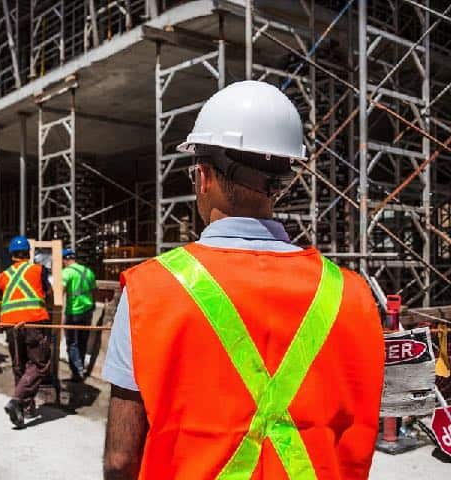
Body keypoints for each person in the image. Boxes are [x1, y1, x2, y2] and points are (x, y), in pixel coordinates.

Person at [101, 81, 384, 479]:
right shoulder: (352, 294)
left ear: (203, 177)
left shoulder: (150, 291)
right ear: (281, 181)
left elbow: (120, 459)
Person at [0, 235, 52, 428]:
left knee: (19, 365)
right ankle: (16, 401)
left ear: (11, 254)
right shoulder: (38, 270)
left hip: (11, 325)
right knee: (39, 364)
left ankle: (25, 410)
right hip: (32, 321)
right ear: (29, 253)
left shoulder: (3, 276)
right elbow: (48, 292)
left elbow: (6, 297)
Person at [61, 248, 97, 382]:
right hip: (87, 312)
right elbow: (94, 291)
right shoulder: (88, 272)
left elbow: (61, 291)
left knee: (72, 343)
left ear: (65, 260)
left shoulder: (66, 272)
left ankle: (77, 372)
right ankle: (81, 367)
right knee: (82, 341)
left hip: (73, 312)